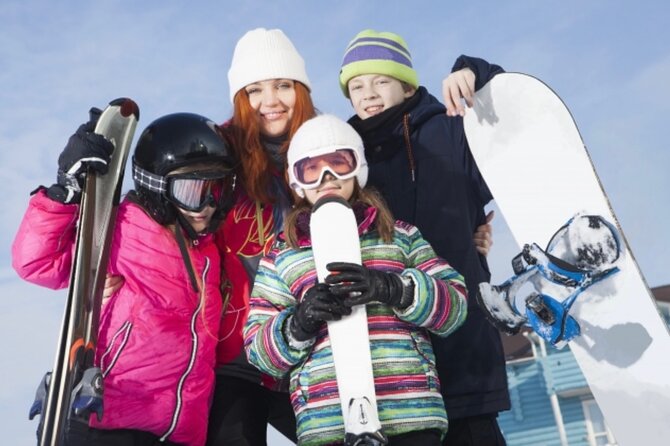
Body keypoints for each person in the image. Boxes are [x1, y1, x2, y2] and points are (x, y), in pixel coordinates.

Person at [12, 111, 242, 446]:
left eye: (217, 190)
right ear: (157, 185)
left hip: (180, 433)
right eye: (193, 191)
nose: (207, 205)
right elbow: (35, 261)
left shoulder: (208, 252)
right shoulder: (122, 229)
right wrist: (66, 192)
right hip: (108, 423)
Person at [243, 114, 468, 445]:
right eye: (312, 169)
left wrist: (394, 289)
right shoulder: (282, 256)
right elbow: (258, 351)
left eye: (338, 163)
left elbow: (456, 306)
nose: (327, 178)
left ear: (358, 168)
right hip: (328, 423)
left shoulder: (400, 237)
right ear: (296, 181)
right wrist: (298, 325)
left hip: (409, 415)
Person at [338, 29, 510, 445]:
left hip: (463, 344)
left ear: (407, 84)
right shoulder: (345, 157)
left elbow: (509, 111)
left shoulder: (450, 131)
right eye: (356, 86)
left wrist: (475, 72)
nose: (368, 94)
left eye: (381, 80)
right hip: (396, 367)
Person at [205, 28, 316, 446]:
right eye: (255, 90)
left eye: (282, 85)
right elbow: (167, 216)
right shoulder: (218, 152)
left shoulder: (328, 148)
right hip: (235, 350)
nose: (270, 101)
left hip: (310, 341)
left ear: (300, 89)